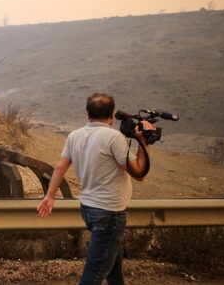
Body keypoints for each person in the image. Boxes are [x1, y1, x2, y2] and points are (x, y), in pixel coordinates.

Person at [36, 92, 155, 285]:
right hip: (110, 213)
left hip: (89, 209)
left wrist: (50, 196)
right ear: (112, 114)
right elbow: (140, 173)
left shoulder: (74, 135)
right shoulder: (114, 137)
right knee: (94, 273)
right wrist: (143, 142)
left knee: (113, 264)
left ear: (87, 113)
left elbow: (59, 168)